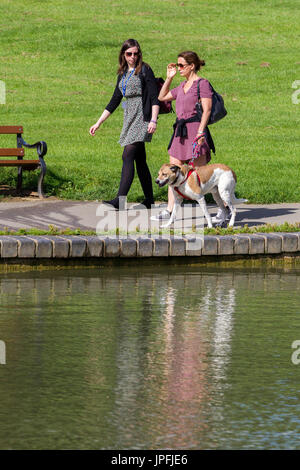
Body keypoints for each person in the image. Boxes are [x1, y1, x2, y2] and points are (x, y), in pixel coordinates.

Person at [152, 51, 227, 223]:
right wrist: (169, 78)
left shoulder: (202, 84)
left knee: (201, 176)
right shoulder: (182, 86)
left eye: (181, 65)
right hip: (179, 133)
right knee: (172, 172)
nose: (178, 68)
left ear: (191, 66)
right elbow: (162, 97)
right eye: (177, 65)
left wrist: (201, 132)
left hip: (195, 131)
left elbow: (207, 110)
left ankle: (224, 209)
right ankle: (170, 211)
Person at [89, 39, 160, 209]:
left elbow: (153, 97)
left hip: (143, 117)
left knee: (127, 154)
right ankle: (149, 199)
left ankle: (120, 201)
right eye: (129, 54)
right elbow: (114, 100)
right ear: (123, 54)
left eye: (136, 54)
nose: (133, 57)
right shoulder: (122, 73)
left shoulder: (145, 69)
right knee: (140, 159)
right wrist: (98, 122)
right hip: (129, 117)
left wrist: (153, 120)